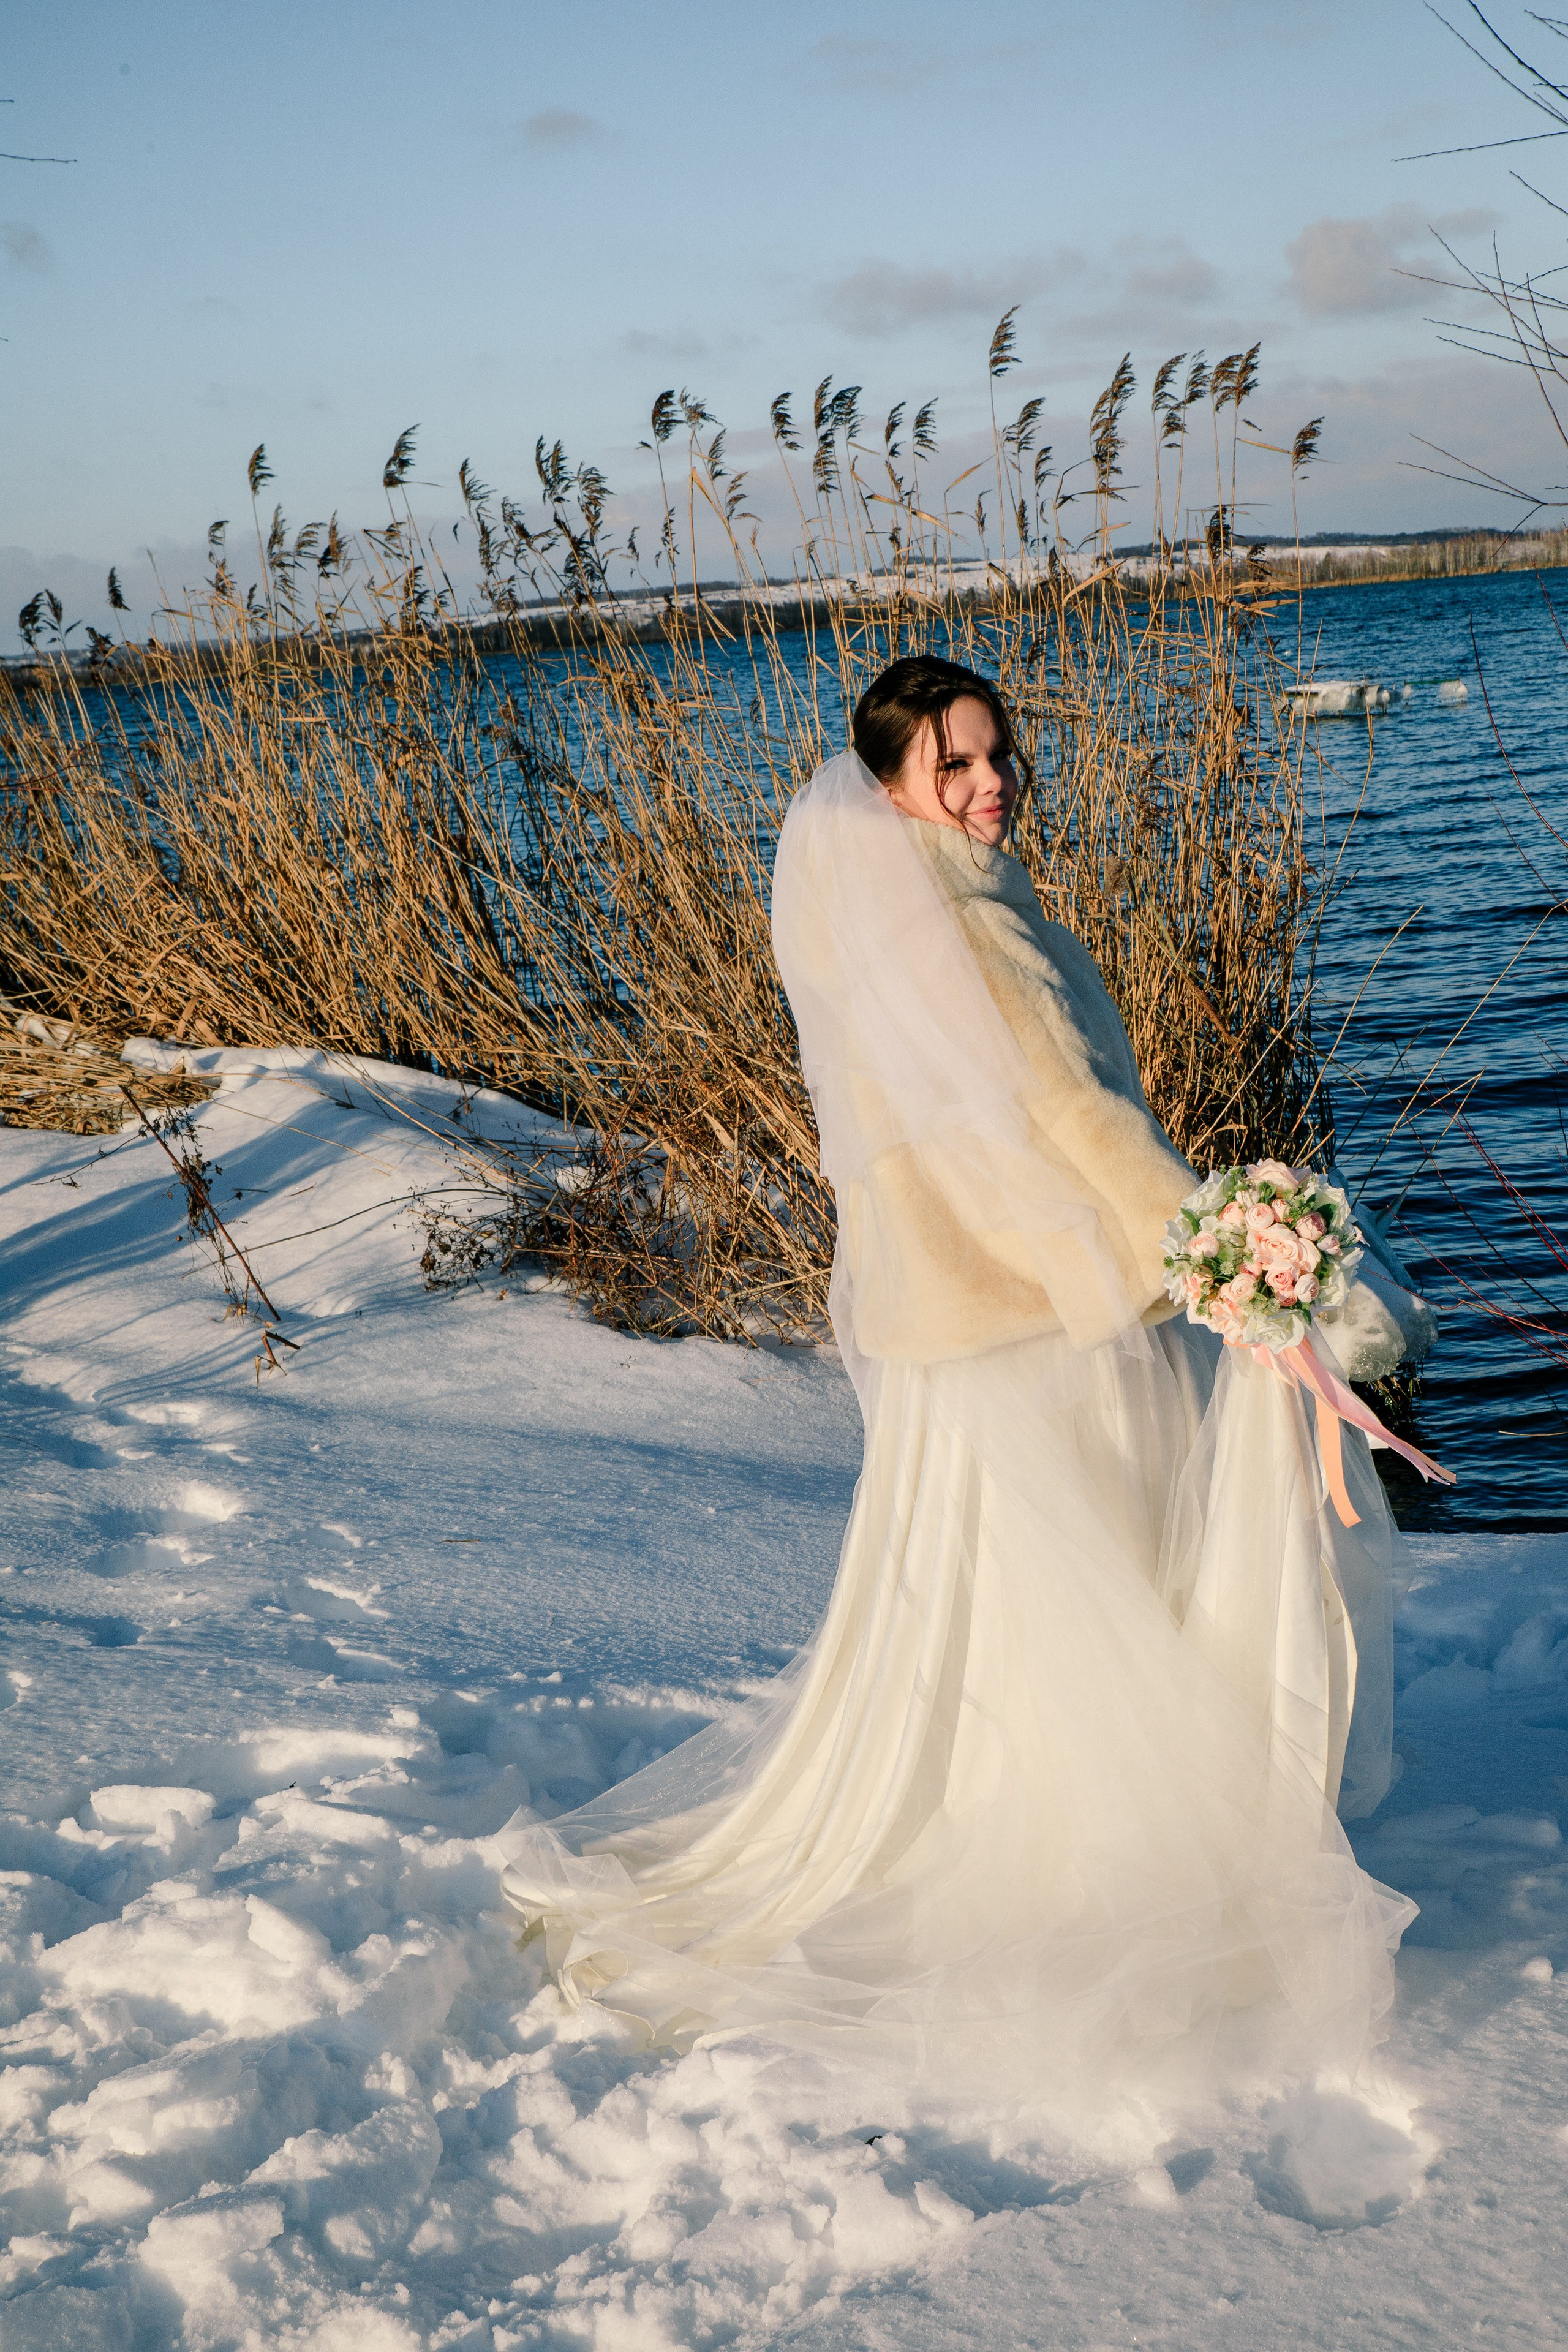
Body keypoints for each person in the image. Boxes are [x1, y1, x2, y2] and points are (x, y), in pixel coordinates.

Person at [499, 655, 1414, 2111]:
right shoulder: (960, 924)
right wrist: (1210, 1250)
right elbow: (1069, 1113)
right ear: (889, 786)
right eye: (956, 768)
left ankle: (1007, 1830)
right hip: (1035, 1324)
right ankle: (1095, 1880)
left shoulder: (898, 908)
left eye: (999, 760)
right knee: (1078, 1603)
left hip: (959, 1321)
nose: (990, 788)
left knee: (995, 1610)